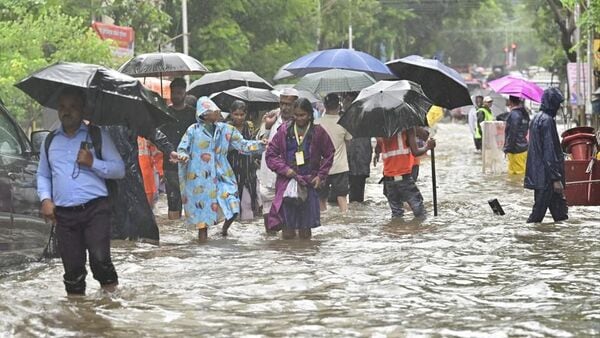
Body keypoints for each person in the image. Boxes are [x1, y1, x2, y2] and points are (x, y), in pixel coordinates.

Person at [37, 87, 125, 296]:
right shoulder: (50, 141)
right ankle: (78, 319)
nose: (67, 112)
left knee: (100, 259)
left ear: (83, 109)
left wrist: (93, 162)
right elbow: (43, 174)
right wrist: (45, 199)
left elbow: (119, 169)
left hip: (96, 208)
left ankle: (110, 305)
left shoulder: (97, 135)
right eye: (62, 107)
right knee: (72, 270)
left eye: (73, 107)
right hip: (64, 214)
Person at [177, 97, 266, 242]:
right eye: (214, 110)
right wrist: (183, 156)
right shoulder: (193, 130)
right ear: (204, 114)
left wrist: (260, 144)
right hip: (199, 179)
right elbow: (182, 148)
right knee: (202, 221)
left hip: (222, 174)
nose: (218, 112)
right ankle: (203, 250)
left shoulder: (226, 130)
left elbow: (243, 145)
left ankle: (224, 230)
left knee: (233, 206)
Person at [265, 98, 335, 239]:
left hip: (309, 183)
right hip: (286, 182)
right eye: (296, 115)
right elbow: (270, 154)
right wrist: (285, 169)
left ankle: (304, 257)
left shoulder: (318, 132)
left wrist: (321, 176)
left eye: (302, 115)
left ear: (310, 115)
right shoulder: (284, 131)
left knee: (305, 229)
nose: (299, 118)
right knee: (287, 227)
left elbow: (329, 153)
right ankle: (290, 258)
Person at [255, 88, 299, 234]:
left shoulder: (301, 121)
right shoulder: (272, 118)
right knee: (269, 221)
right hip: (268, 176)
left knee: (288, 221)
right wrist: (267, 126)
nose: (285, 107)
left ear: (295, 104)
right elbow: (259, 144)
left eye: (288, 104)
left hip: (289, 177)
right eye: (282, 103)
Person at [524, 88, 568, 223]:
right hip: (547, 179)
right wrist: (556, 178)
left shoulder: (536, 118)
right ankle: (528, 239)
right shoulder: (547, 121)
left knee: (560, 216)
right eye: (558, 103)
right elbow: (549, 152)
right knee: (536, 217)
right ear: (552, 103)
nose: (560, 106)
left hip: (540, 175)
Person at [375, 128, 435, 219]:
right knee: (419, 212)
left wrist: (376, 153)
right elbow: (416, 152)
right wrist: (428, 147)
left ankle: (397, 231)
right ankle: (420, 232)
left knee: (397, 214)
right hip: (404, 177)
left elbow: (378, 148)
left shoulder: (380, 130)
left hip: (389, 179)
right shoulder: (408, 128)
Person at [160, 78, 197, 220]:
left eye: (179, 93)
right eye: (173, 93)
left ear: (185, 93)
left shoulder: (193, 114)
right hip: (170, 165)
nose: (176, 96)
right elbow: (158, 137)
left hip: (190, 164)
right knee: (173, 202)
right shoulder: (164, 113)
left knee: (191, 202)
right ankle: (174, 236)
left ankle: (188, 237)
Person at [315, 93, 352, 212]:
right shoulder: (344, 122)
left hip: (322, 167)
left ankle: (323, 227)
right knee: (342, 198)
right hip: (340, 167)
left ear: (325, 105)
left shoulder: (316, 123)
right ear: (338, 106)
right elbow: (348, 143)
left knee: (321, 199)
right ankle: (345, 223)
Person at [227, 100, 260, 221]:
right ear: (231, 114)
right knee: (232, 200)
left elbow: (253, 143)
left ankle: (247, 229)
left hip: (248, 167)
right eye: (236, 114)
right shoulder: (227, 128)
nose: (239, 117)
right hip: (232, 167)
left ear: (246, 114)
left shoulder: (249, 126)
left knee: (249, 200)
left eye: (242, 114)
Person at [343, 92, 373, 203]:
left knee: (356, 193)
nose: (343, 102)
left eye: (345, 99)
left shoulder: (363, 115)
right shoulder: (365, 114)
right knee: (355, 192)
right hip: (356, 159)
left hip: (358, 159)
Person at [503, 95, 530, 175]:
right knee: (518, 172)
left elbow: (512, 133)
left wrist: (507, 147)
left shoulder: (514, 114)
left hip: (515, 149)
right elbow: (525, 131)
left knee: (516, 174)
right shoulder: (524, 113)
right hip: (522, 147)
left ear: (510, 101)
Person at [138, 136, 163, 208]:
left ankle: (149, 211)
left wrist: (160, 171)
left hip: (147, 170)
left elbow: (157, 155)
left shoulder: (147, 137)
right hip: (144, 170)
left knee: (149, 191)